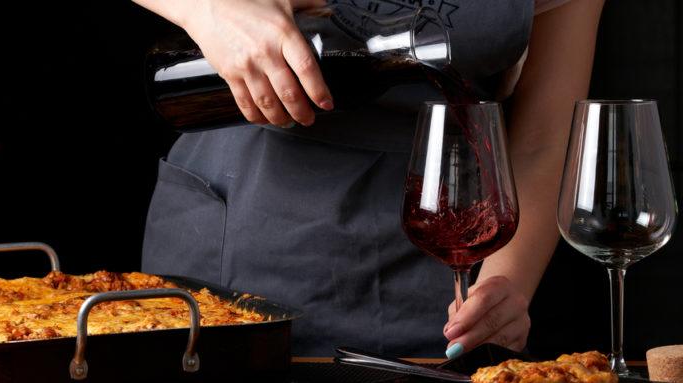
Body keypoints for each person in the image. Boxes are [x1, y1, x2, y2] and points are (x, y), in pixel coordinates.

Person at [134, 0, 605, 358]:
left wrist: (505, 286)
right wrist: (211, 10)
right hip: (241, 226)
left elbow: (545, 134)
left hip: (438, 254)